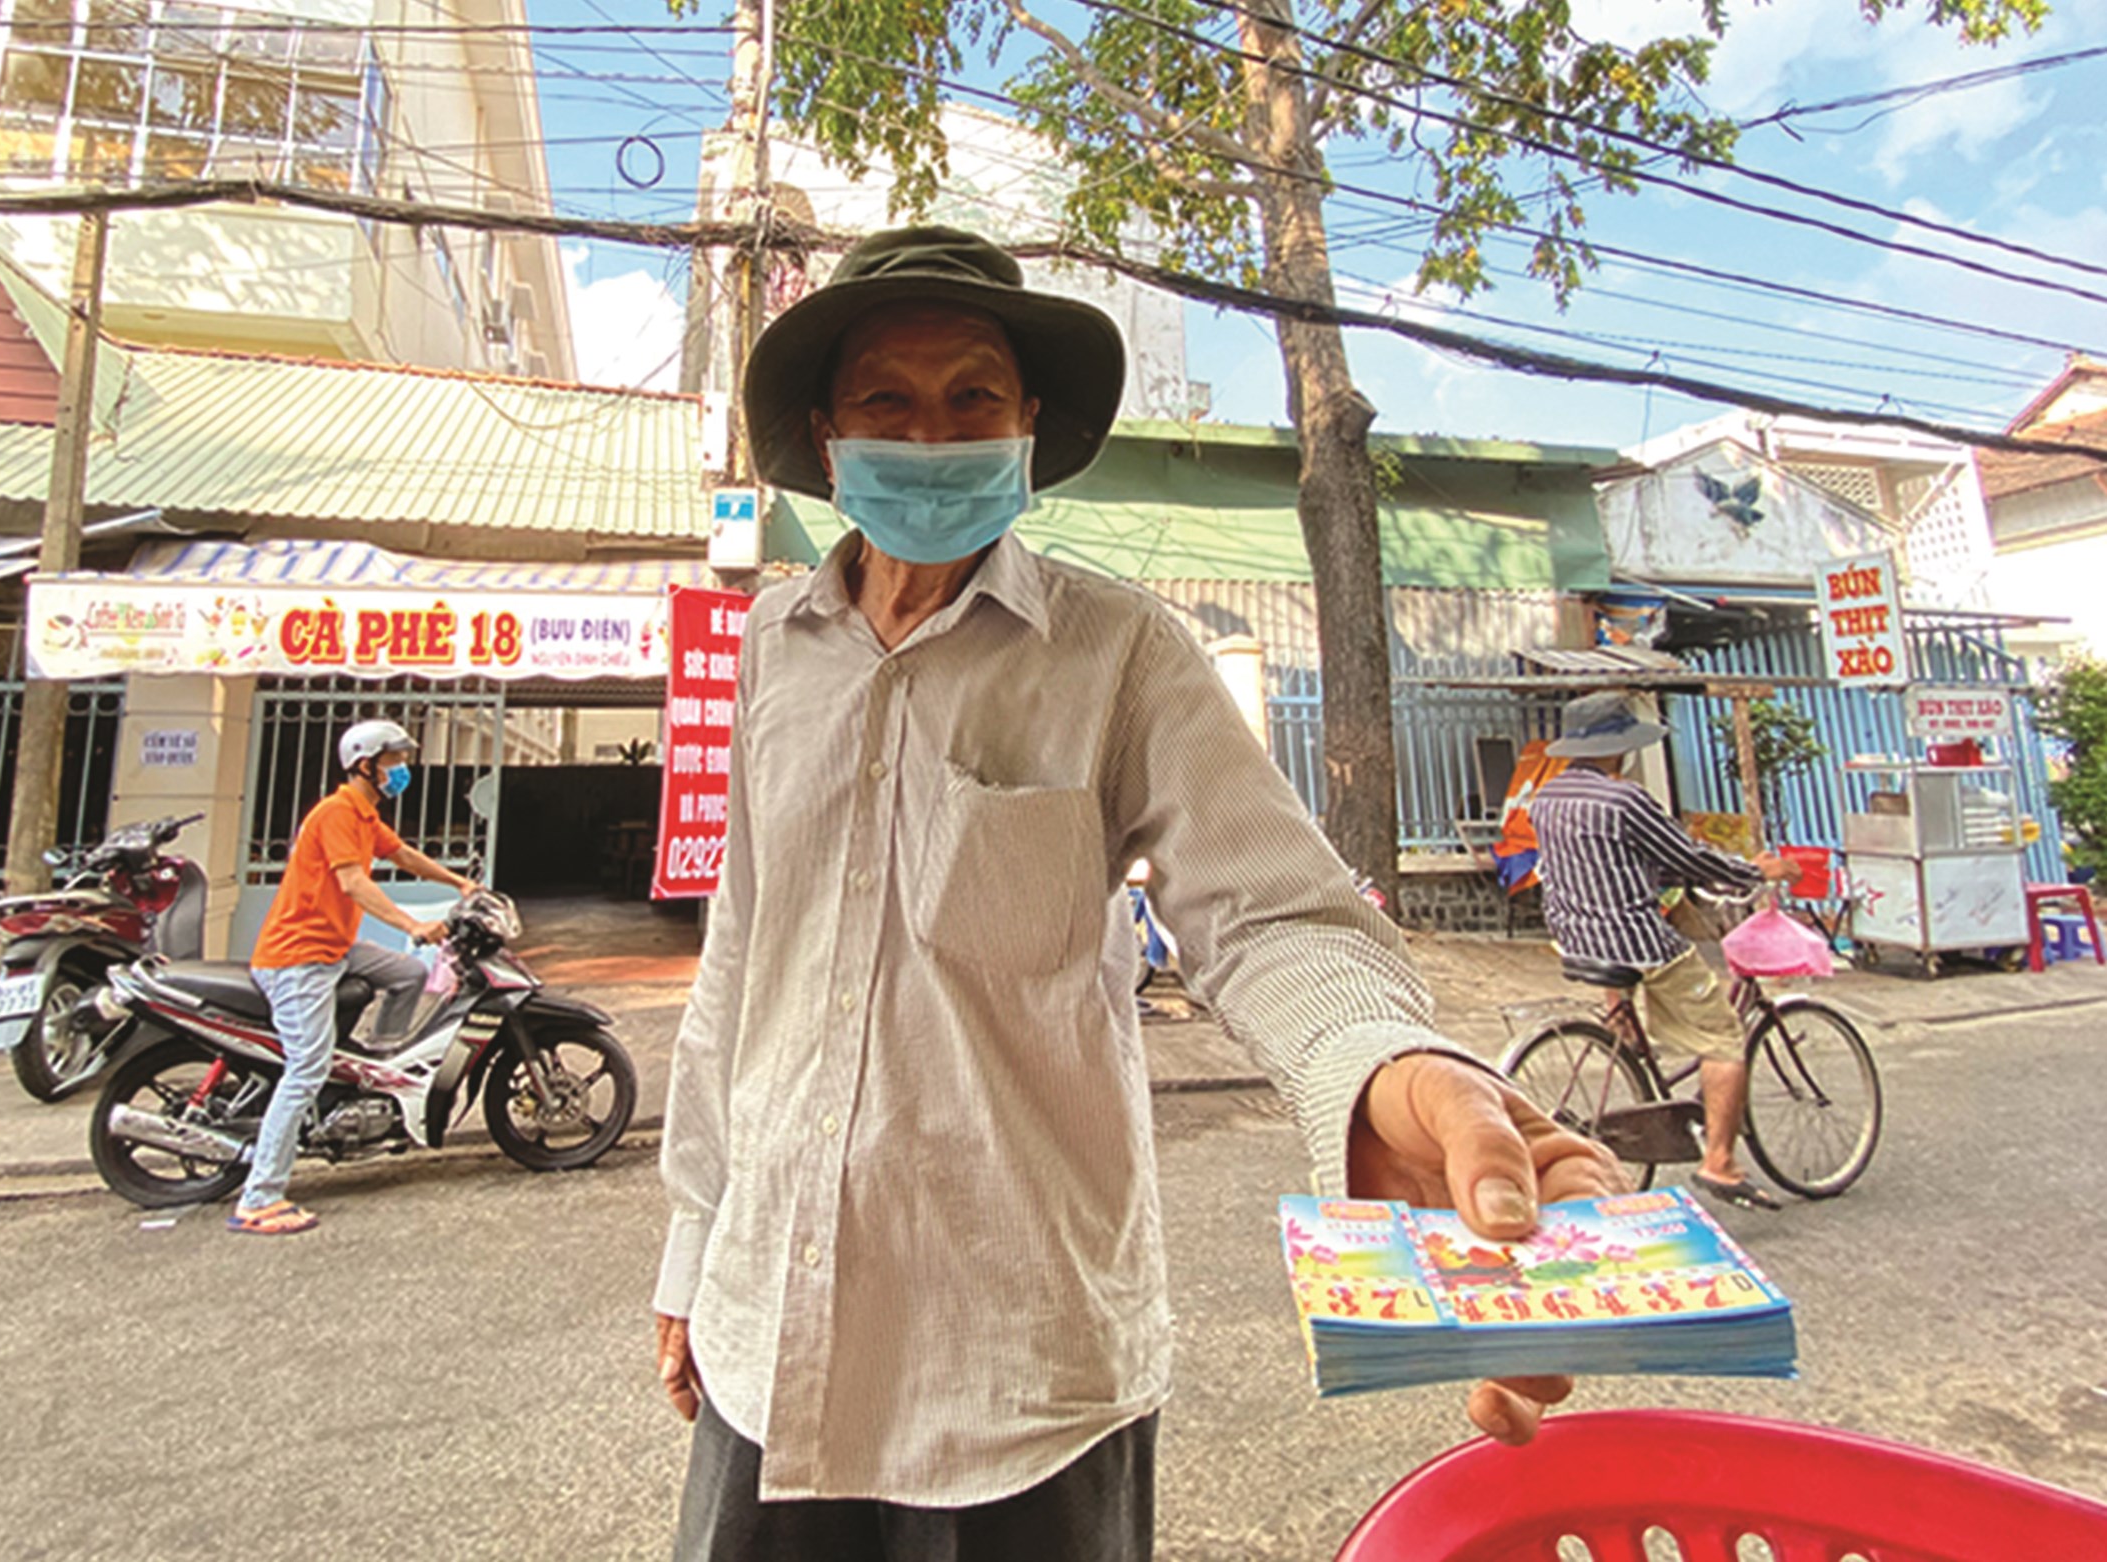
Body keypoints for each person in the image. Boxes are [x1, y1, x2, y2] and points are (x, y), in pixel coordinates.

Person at [651, 225, 1623, 1560]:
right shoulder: (773, 646)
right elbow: (740, 963)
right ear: (827, 437)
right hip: (771, 1330)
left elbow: (1266, 905)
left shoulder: (1120, 650)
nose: (930, 435)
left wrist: (1381, 1066)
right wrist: (691, 1251)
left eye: (971, 397)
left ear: (1027, 427)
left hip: (1025, 1366)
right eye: (887, 399)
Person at [1528, 690, 1802, 1213]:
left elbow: (1613, 863)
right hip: (1635, 939)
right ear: (1619, 747)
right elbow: (1687, 855)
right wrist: (1755, 871)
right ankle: (1719, 1162)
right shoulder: (1625, 799)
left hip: (1577, 935)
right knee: (1724, 1036)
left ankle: (1620, 1021)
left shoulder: (1548, 798)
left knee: (1634, 994)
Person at [227, 718, 476, 1236]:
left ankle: (374, 1070)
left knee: (408, 973)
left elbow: (401, 854)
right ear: (365, 765)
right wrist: (411, 923)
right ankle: (259, 1197)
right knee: (305, 1071)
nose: (401, 770)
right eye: (393, 761)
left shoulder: (365, 816)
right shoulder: (337, 813)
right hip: (299, 959)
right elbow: (354, 882)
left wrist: (460, 883)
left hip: (335, 948)